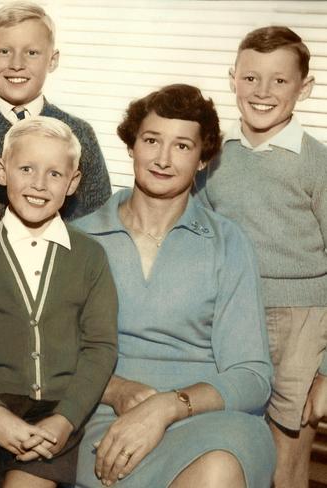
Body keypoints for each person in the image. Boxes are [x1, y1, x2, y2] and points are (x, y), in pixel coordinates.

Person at [74, 84, 275, 488]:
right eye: (151, 140)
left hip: (207, 419)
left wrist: (170, 406)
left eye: (182, 146)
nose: (163, 159)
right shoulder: (78, 239)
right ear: (132, 146)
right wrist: (116, 391)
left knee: (218, 469)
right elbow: (50, 357)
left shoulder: (227, 242)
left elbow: (252, 375)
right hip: (100, 414)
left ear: (203, 159)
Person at [0, 116, 118, 488]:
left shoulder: (90, 257)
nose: (38, 184)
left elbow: (100, 348)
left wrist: (65, 420)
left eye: (54, 174)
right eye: (26, 168)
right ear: (1, 171)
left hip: (54, 417)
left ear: (74, 182)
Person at [195, 26, 327, 487]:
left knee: (287, 455)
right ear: (233, 79)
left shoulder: (318, 163)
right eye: (251, 78)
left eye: (279, 80)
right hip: (230, 314)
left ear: (304, 88)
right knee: (229, 441)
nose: (263, 92)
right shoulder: (210, 158)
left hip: (301, 321)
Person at [0, 1, 111, 220]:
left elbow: (101, 217)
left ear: (52, 60)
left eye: (32, 52)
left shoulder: (80, 134)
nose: (17, 64)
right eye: (4, 51)